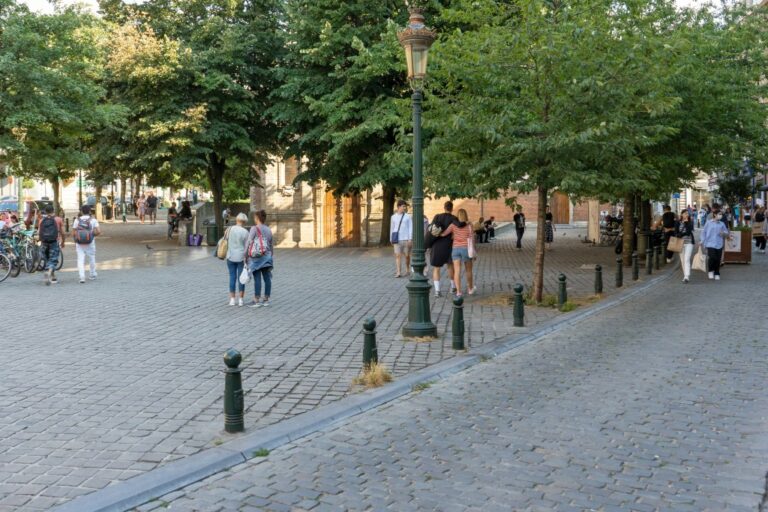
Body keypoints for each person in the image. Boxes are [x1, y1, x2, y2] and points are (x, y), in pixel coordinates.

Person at [440, 208, 475, 297]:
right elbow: (472, 239)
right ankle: (470, 289)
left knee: (457, 271)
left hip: (455, 249)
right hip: (466, 249)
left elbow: (444, 234)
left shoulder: (453, 225)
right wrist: (473, 251)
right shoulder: (469, 225)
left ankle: (459, 291)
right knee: (469, 271)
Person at [246, 209, 274, 307]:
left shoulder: (254, 228)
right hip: (267, 257)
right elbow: (271, 244)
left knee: (257, 278)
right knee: (267, 278)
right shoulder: (268, 229)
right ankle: (266, 299)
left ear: (257, 218)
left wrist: (245, 255)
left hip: (256, 257)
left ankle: (256, 300)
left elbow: (249, 242)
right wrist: (270, 256)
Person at [71, 205, 101, 284]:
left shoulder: (77, 220)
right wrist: (92, 235)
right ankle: (92, 274)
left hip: (79, 243)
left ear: (81, 212)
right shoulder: (93, 220)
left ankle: (82, 277)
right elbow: (98, 231)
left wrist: (76, 240)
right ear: (90, 211)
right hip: (90, 242)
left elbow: (73, 232)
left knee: (80, 259)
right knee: (92, 257)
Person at [225, 213, 249, 306]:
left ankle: (232, 299)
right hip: (241, 257)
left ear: (236, 220)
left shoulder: (229, 229)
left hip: (230, 255)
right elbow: (247, 246)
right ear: (244, 221)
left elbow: (225, 240)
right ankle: (241, 300)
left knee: (232, 277)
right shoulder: (245, 232)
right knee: (241, 278)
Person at [38, 205, 65, 285]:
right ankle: (49, 272)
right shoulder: (58, 219)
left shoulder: (41, 220)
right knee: (53, 259)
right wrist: (63, 241)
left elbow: (39, 232)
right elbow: (63, 232)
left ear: (45, 212)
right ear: (53, 211)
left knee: (47, 259)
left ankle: (53, 277)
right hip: (54, 241)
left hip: (44, 242)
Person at [700, 208, 730, 281]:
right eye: (719, 214)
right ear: (715, 215)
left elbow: (727, 233)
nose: (720, 216)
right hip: (710, 243)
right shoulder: (708, 223)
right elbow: (704, 232)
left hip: (719, 243)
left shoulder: (722, 224)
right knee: (712, 257)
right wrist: (702, 241)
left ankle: (717, 273)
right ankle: (710, 271)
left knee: (718, 259)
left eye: (721, 215)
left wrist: (723, 233)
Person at [390, 199, 412, 278]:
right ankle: (398, 272)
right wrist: (391, 238)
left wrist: (410, 238)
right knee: (398, 256)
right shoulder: (393, 217)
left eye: (405, 207)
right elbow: (392, 228)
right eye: (403, 206)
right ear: (398, 207)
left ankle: (407, 269)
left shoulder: (408, 216)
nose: (404, 208)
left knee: (407, 256)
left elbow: (410, 227)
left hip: (406, 239)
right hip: (397, 239)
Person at [674, 209, 696, 283]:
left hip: (689, 242)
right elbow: (676, 232)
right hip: (680, 243)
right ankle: (685, 276)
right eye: (685, 213)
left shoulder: (690, 222)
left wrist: (686, 223)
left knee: (686, 259)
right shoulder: (677, 222)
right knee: (683, 260)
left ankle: (687, 276)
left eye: (687, 213)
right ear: (682, 214)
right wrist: (678, 234)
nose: (687, 215)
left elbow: (688, 232)